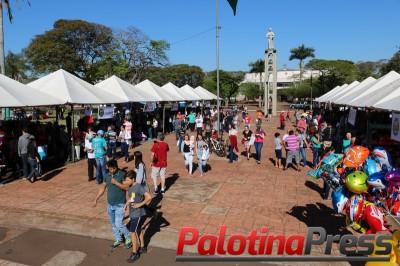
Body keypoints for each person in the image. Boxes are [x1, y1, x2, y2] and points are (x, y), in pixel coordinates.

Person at [92, 159, 132, 250]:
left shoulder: (122, 175)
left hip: (120, 204)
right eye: (110, 169)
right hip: (110, 205)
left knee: (119, 224)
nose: (112, 170)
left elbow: (127, 188)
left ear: (116, 167)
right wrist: (96, 199)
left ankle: (128, 238)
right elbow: (103, 187)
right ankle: (118, 239)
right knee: (113, 224)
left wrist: (116, 183)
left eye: (114, 168)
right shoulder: (106, 176)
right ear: (108, 168)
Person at [113, 170, 152, 263]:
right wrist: (127, 204)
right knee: (138, 229)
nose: (125, 182)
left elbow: (149, 197)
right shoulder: (130, 187)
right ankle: (142, 247)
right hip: (133, 212)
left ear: (133, 179)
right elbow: (132, 197)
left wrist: (139, 205)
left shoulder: (139, 187)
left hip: (137, 213)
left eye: (127, 180)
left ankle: (135, 253)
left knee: (132, 232)